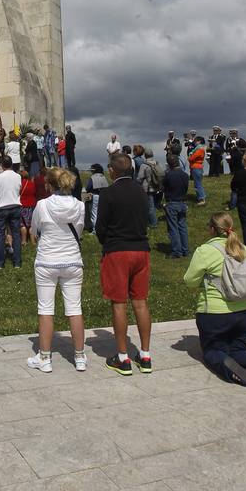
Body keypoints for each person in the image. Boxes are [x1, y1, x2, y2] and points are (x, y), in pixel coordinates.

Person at [184, 212, 246, 388]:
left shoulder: (205, 251)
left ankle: (232, 371)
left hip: (215, 315)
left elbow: (190, 281)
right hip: (245, 313)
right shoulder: (244, 250)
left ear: (212, 229)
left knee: (212, 351)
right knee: (239, 349)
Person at [96, 153, 152, 375]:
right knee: (140, 302)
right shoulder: (141, 191)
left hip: (118, 250)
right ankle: (145, 355)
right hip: (141, 249)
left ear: (112, 170)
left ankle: (122, 357)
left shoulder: (109, 193)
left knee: (119, 303)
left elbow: (100, 226)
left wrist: (106, 241)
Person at [27, 168, 87, 374]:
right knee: (74, 308)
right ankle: (79, 356)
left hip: (47, 261)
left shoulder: (42, 205)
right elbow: (78, 231)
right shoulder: (80, 205)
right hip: (72, 260)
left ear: (49, 185)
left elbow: (35, 231)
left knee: (45, 309)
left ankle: (44, 357)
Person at [0, 155, 22, 269]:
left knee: (0, 234)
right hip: (14, 206)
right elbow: (18, 188)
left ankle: (0, 263)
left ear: (2, 165)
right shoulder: (17, 176)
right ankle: (17, 262)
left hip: (2, 207)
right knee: (16, 234)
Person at [163, 154, 190, 259]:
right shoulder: (185, 175)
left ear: (169, 164)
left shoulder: (168, 175)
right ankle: (185, 250)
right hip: (182, 202)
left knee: (173, 228)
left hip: (172, 202)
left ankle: (176, 251)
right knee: (182, 227)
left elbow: (164, 187)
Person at [137, 148, 162, 228]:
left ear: (145, 155)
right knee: (153, 205)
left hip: (148, 188)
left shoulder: (144, 165)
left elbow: (140, 178)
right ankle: (152, 221)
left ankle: (153, 224)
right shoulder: (157, 163)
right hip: (157, 187)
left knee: (150, 206)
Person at [85, 164, 108, 229]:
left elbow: (88, 187)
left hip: (94, 196)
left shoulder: (93, 177)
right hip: (102, 196)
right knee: (99, 213)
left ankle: (95, 229)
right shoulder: (103, 176)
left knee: (94, 213)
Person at [19, 169, 37, 245]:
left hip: (22, 206)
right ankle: (33, 241)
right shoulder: (32, 184)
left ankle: (24, 241)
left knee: (22, 224)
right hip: (32, 205)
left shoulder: (19, 184)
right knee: (31, 225)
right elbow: (34, 192)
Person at [187, 136, 206, 205]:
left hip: (196, 167)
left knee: (198, 184)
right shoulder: (198, 149)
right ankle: (201, 197)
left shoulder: (199, 149)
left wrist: (190, 156)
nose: (194, 143)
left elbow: (191, 159)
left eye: (195, 141)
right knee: (198, 183)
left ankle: (201, 198)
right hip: (197, 167)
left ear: (199, 141)